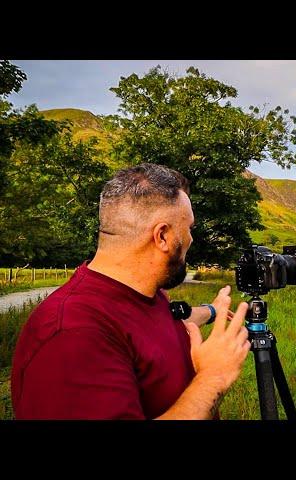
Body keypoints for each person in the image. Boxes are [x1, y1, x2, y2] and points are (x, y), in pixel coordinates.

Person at [11, 163, 250, 419]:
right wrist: (213, 377)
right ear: (162, 237)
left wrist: (212, 311)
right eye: (189, 228)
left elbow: (158, 327)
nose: (191, 239)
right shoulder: (73, 333)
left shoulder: (146, 294)